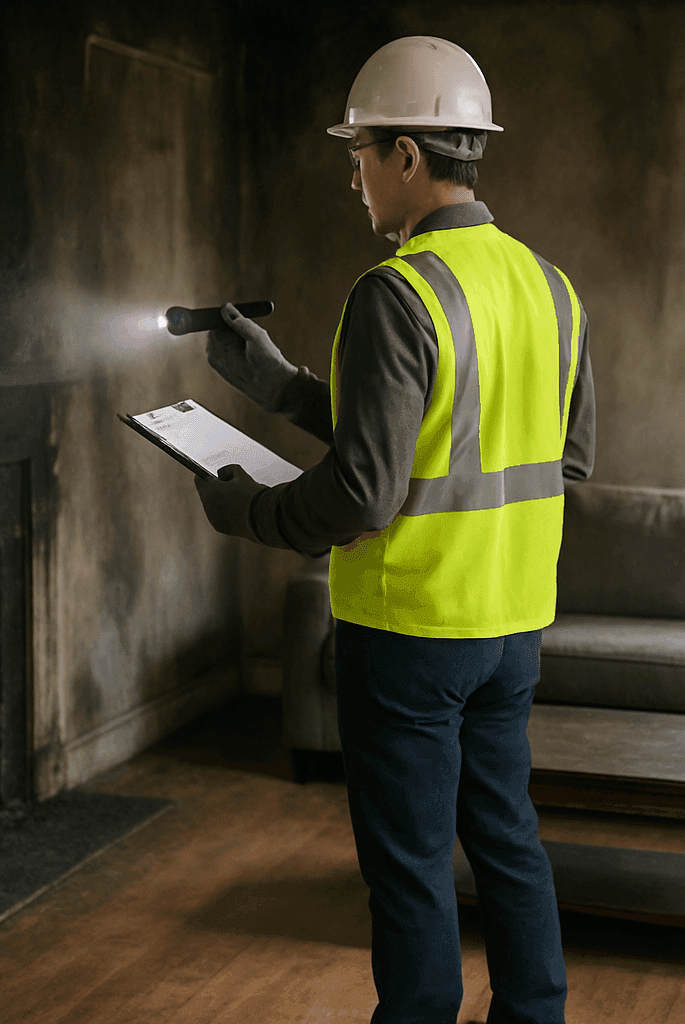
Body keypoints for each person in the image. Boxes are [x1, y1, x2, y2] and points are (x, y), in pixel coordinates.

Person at [192, 35, 594, 1024]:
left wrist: (247, 508)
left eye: (362, 154)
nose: (355, 178)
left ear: (409, 156)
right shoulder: (551, 287)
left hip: (410, 633)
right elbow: (553, 453)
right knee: (508, 840)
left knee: (411, 868)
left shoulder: (397, 291)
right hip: (510, 631)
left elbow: (367, 495)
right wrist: (283, 387)